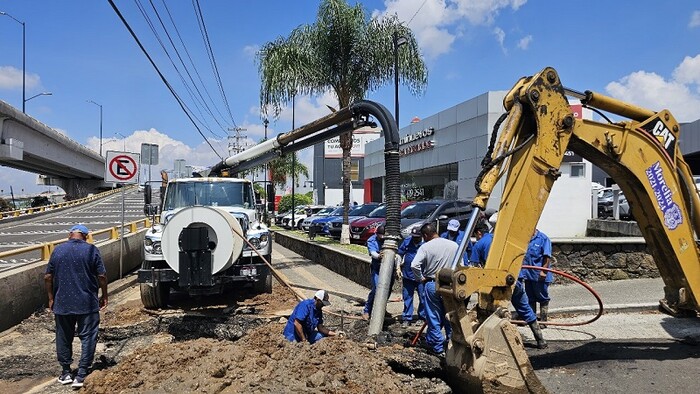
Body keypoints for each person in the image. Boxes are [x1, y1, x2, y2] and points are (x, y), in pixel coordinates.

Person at [44, 224, 108, 388]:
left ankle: (66, 372)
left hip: (62, 303)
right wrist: (104, 295)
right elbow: (101, 275)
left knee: (63, 336)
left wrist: (51, 298)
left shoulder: (57, 250)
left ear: (69, 235)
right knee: (88, 337)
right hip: (86, 302)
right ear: (85, 236)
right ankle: (81, 375)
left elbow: (48, 277)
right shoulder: (91, 250)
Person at [468, 220, 547, 349]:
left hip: (493, 284)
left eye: (475, 235)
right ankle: (540, 340)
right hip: (515, 279)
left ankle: (492, 343)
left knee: (490, 311)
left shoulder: (480, 244)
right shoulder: (506, 240)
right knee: (524, 308)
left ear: (478, 233)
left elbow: (474, 267)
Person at [411, 223, 458, 356]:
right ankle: (451, 345)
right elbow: (462, 265)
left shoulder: (425, 247)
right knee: (450, 316)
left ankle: (438, 348)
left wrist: (420, 278)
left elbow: (414, 265)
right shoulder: (453, 245)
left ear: (425, 235)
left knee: (433, 317)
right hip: (450, 285)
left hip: (432, 283)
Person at [521, 229, 554, 326]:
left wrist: (543, 271)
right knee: (530, 298)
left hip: (539, 275)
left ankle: (543, 321)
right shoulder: (525, 238)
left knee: (542, 297)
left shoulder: (543, 239)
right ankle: (533, 320)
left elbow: (547, 256)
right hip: (527, 274)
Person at [362, 225, 395, 319]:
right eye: (380, 237)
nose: (382, 239)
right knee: (376, 289)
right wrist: (379, 256)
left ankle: (381, 309)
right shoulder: (371, 240)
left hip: (389, 268)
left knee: (387, 290)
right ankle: (367, 310)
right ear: (376, 234)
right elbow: (372, 253)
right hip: (377, 269)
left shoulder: (389, 239)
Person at [396, 227, 426, 328]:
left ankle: (422, 317)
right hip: (408, 275)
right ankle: (407, 318)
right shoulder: (407, 241)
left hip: (422, 276)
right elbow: (400, 254)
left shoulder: (425, 244)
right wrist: (398, 267)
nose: (415, 239)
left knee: (423, 297)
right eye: (413, 237)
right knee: (407, 297)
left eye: (417, 237)